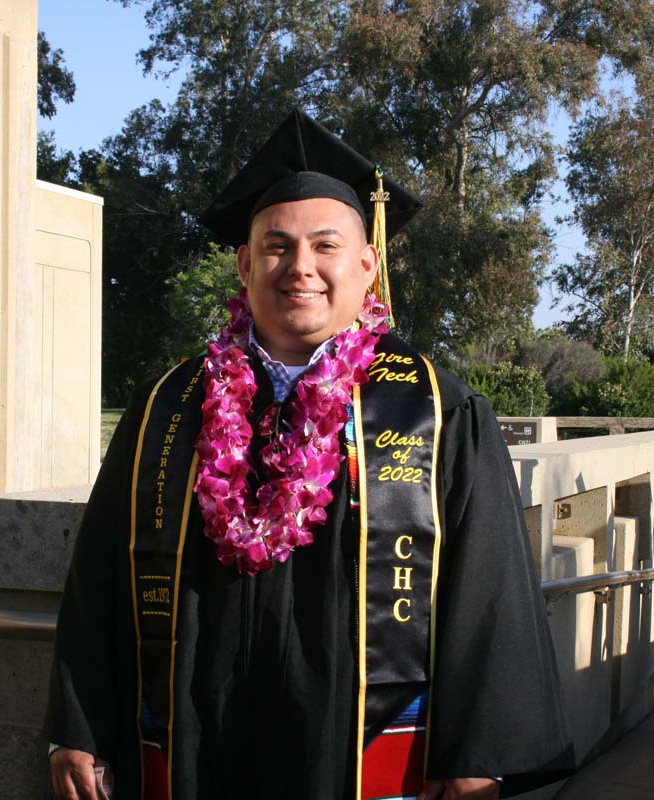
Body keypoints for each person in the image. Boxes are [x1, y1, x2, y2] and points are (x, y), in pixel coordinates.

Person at [43, 109, 574, 800]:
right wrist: (77, 726)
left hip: (352, 751)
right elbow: (100, 578)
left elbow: (489, 588)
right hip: (200, 741)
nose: (301, 268)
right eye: (275, 246)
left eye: (325, 246)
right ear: (243, 262)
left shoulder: (436, 411)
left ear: (366, 264)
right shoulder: (168, 408)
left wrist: (478, 753)